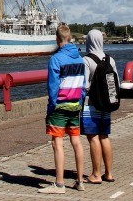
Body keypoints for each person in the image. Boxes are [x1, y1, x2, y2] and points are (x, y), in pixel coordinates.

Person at [38, 24, 86, 194]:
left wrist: (51, 107)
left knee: (57, 143)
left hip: (59, 105)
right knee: (76, 141)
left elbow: (53, 87)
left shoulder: (56, 60)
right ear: (70, 38)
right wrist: (79, 102)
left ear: (57, 39)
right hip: (75, 105)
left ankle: (59, 184)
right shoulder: (80, 59)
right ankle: (80, 181)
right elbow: (83, 85)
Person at [81, 29, 116, 185]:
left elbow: (85, 85)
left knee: (93, 137)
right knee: (104, 136)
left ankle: (96, 174)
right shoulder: (110, 60)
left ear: (88, 41)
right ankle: (108, 173)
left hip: (91, 104)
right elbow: (116, 84)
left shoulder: (86, 60)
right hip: (106, 105)